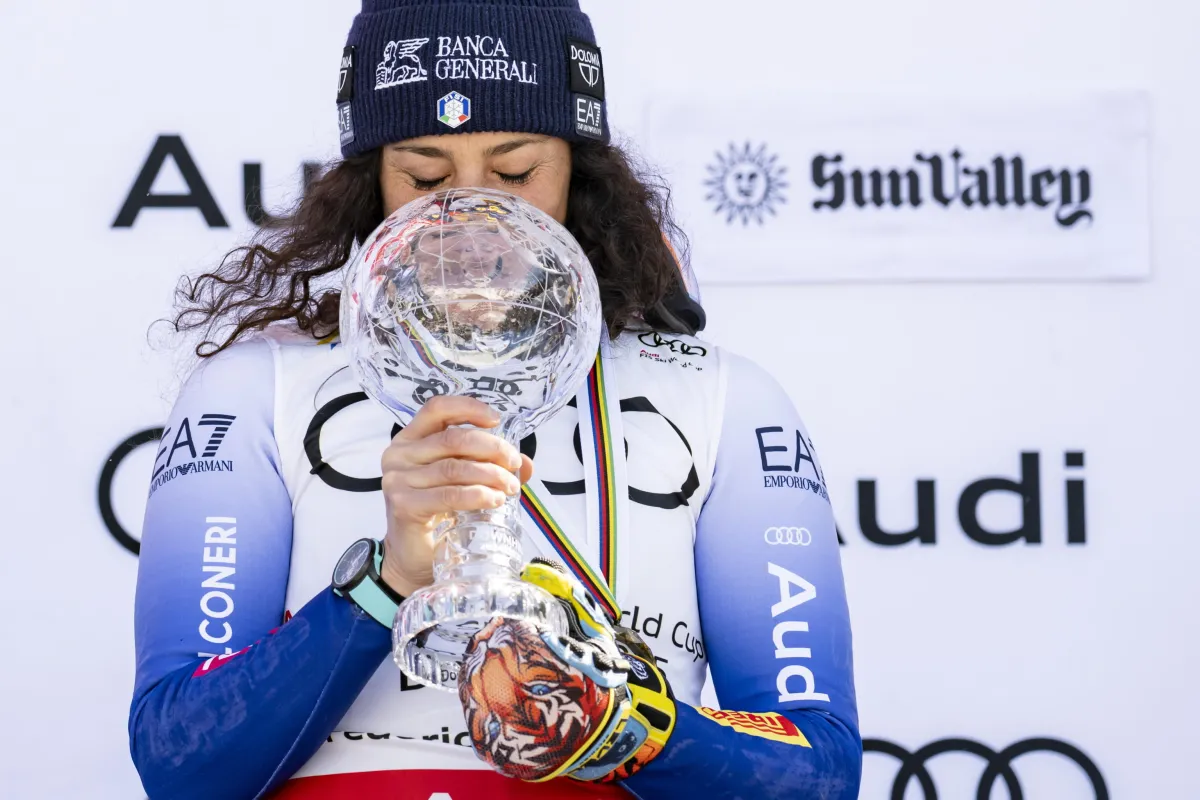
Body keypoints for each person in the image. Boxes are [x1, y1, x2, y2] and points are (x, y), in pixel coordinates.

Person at [128, 1, 862, 797]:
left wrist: (630, 728)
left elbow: (818, 771)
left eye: (515, 173)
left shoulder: (719, 400)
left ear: (579, 168)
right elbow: (180, 761)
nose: (474, 220)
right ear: (370, 177)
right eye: (426, 176)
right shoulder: (257, 391)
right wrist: (384, 584)